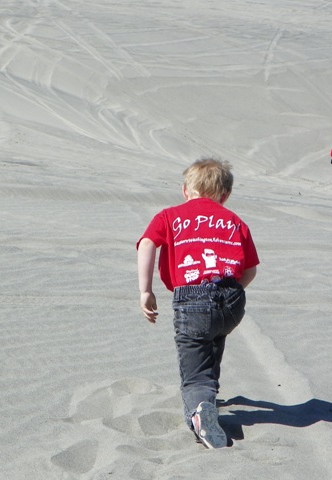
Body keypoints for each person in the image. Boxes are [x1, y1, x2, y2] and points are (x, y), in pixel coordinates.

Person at [136, 157, 259, 449]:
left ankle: (200, 408)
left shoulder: (169, 216)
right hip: (231, 299)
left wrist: (146, 290)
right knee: (214, 339)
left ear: (185, 190)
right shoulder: (235, 222)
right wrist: (230, 293)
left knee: (195, 365)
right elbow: (251, 269)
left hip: (191, 298)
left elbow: (147, 243)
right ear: (225, 195)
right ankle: (210, 395)